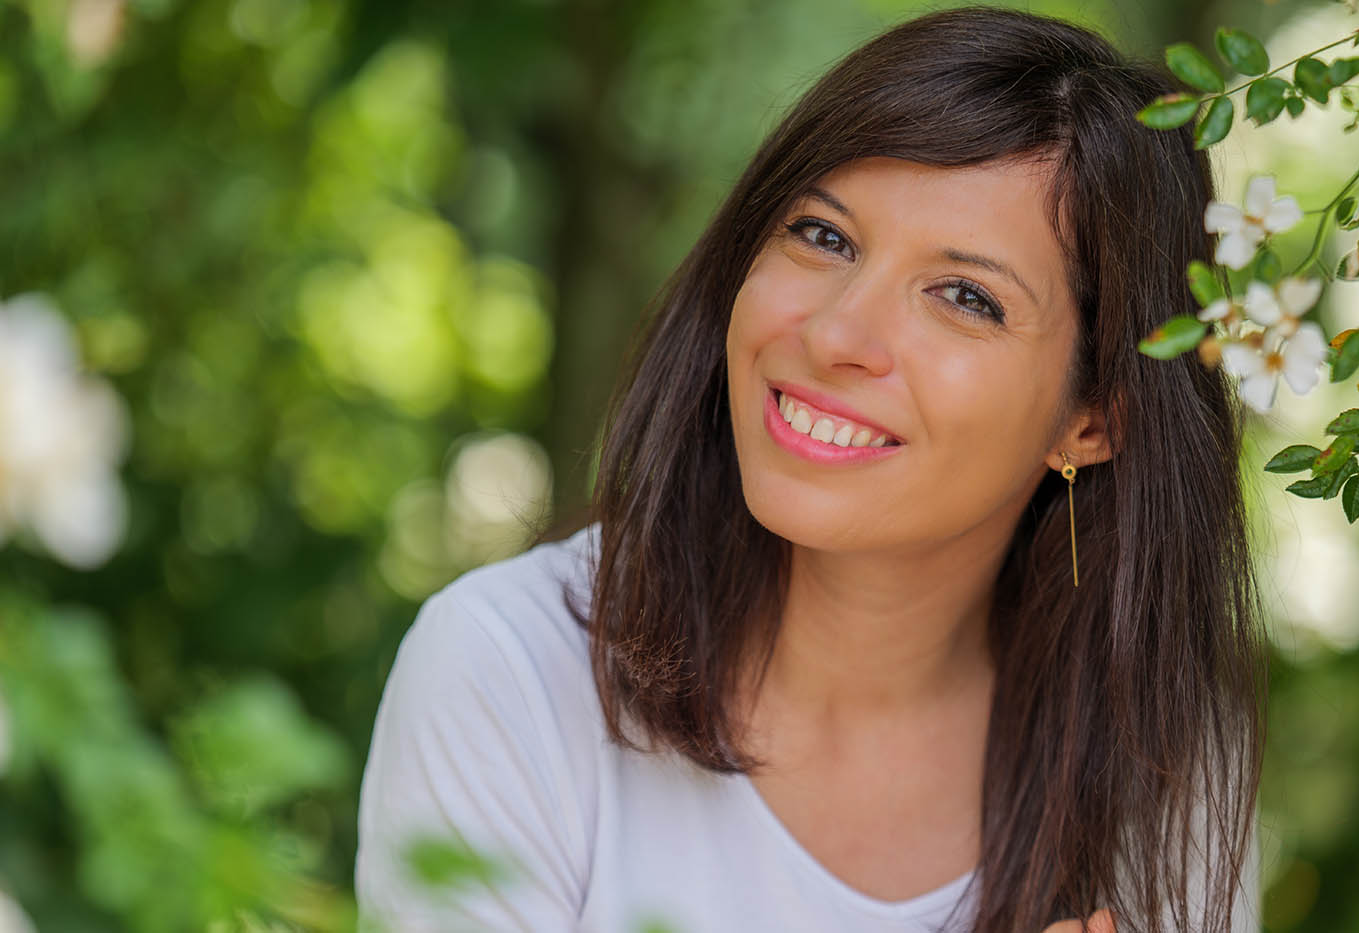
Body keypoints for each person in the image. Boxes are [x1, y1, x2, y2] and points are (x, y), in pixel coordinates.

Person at [355, 6, 1266, 932]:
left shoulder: (1163, 762)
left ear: (1095, 418)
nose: (836, 334)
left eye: (964, 297)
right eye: (824, 237)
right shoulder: (509, 672)